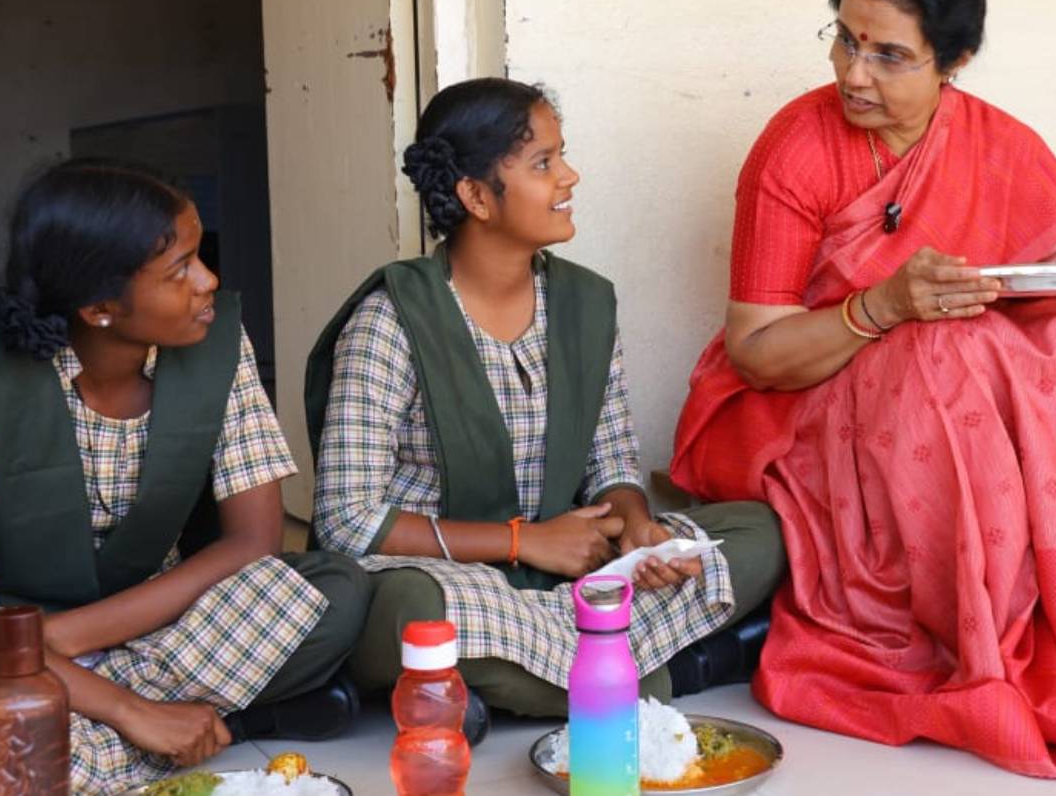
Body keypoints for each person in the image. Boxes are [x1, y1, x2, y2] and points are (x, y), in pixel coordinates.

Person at [670, 0, 1056, 776]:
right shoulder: (797, 146)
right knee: (949, 356)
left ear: (955, 60)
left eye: (889, 55)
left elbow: (1030, 286)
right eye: (845, 39)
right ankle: (968, 633)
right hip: (791, 401)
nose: (853, 74)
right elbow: (757, 353)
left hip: (932, 389)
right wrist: (882, 305)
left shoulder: (998, 142)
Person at [0, 160, 370, 794]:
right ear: (100, 307)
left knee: (333, 591)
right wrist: (126, 707)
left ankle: (55, 755)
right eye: (180, 270)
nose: (208, 281)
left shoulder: (218, 344)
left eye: (200, 257)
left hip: (153, 623)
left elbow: (253, 541)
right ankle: (202, 727)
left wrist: (65, 639)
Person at [307, 78, 785, 725]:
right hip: (449, 578)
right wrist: (522, 542)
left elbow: (611, 462)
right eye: (543, 163)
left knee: (762, 530)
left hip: (571, 573)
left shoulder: (585, 303)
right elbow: (347, 521)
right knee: (414, 612)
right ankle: (668, 668)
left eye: (562, 155)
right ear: (476, 196)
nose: (569, 176)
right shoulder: (390, 320)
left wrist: (636, 527)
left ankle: (510, 680)